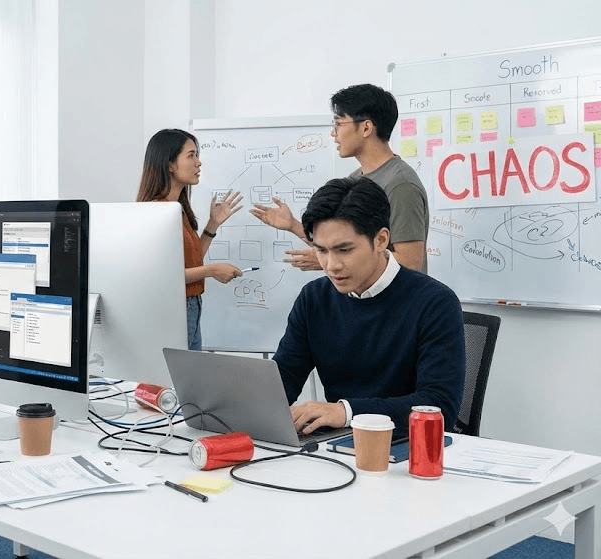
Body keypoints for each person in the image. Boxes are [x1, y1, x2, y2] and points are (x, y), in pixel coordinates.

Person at [272, 177, 464, 435]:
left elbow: (439, 407)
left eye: (344, 249)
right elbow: (282, 381)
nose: (331, 265)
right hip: (336, 447)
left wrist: (346, 411)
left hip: (405, 449)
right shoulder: (314, 298)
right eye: (322, 250)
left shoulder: (435, 303)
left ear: (381, 240)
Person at [251, 83, 430, 273]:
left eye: (338, 124)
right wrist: (293, 225)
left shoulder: (400, 185)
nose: (333, 133)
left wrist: (329, 260)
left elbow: (410, 263)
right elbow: (340, 241)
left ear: (366, 127)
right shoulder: (355, 180)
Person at [136, 128, 243, 351]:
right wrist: (212, 271)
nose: (199, 163)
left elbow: (190, 263)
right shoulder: (156, 212)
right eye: (191, 155)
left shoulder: (178, 209)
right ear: (169, 164)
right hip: (173, 309)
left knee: (187, 383)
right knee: (173, 383)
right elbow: (164, 277)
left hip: (191, 307)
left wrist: (212, 225)